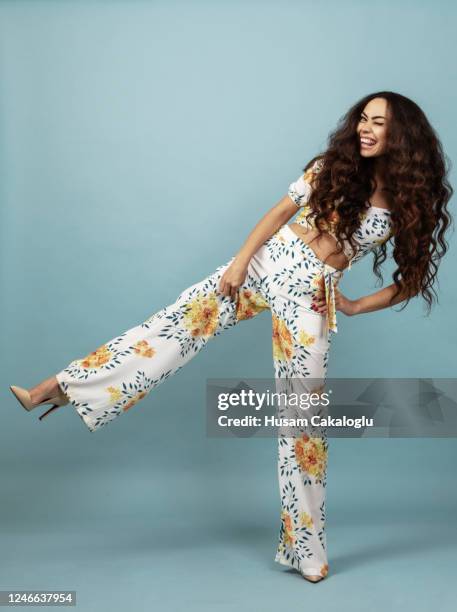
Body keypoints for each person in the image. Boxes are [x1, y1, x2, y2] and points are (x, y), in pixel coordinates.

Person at [10, 91, 453, 583]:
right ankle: (62, 387)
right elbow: (277, 214)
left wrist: (350, 305)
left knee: (303, 421)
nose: (365, 130)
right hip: (268, 259)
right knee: (172, 327)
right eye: (363, 119)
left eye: (379, 123)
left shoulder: (410, 199)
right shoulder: (334, 165)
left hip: (312, 293)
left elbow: (410, 279)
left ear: (404, 136)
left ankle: (305, 548)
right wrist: (242, 261)